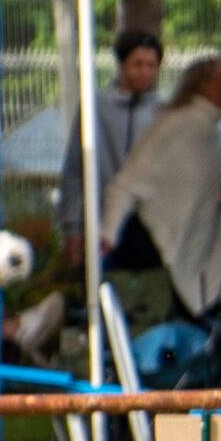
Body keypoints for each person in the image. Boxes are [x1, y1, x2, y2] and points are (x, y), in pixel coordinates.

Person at [98, 59, 221, 321]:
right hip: (157, 252)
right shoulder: (173, 125)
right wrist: (108, 233)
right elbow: (126, 183)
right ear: (203, 83)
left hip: (206, 252)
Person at [60, 28, 162, 265]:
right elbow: (75, 168)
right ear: (122, 65)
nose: (145, 72)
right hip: (103, 222)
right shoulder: (96, 106)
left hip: (151, 224)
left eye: (151, 65)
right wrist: (72, 227)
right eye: (137, 64)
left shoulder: (163, 110)